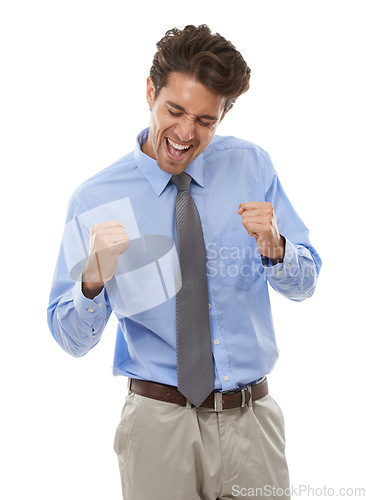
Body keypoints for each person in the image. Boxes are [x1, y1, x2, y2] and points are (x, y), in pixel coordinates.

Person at [47, 24, 321, 500]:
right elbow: (69, 339)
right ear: (150, 91)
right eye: (174, 110)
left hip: (252, 424)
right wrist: (92, 280)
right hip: (158, 427)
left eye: (206, 121)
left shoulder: (251, 166)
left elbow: (306, 283)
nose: (186, 133)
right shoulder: (97, 199)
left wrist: (275, 246)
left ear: (223, 114)